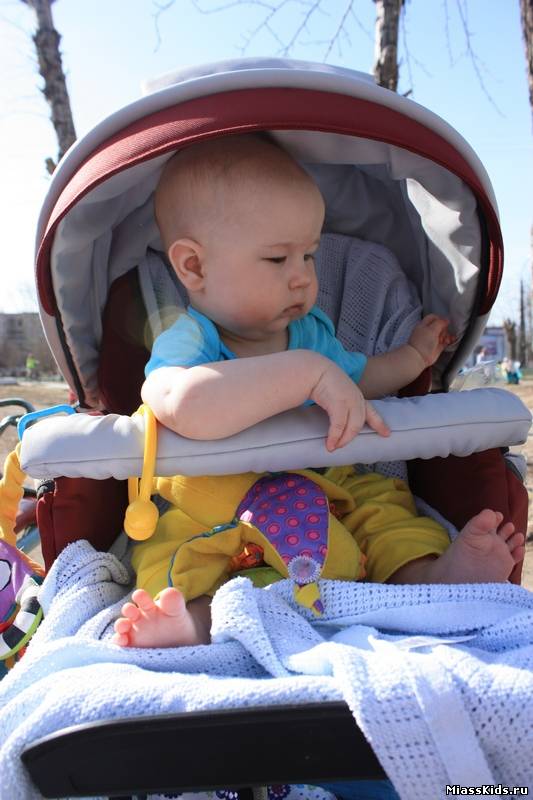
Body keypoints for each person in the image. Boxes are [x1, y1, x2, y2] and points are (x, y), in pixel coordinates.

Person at [113, 135, 525, 649]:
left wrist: (413, 358)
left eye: (308, 255)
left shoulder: (311, 334)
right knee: (171, 548)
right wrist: (305, 374)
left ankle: (430, 577)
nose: (302, 278)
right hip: (213, 505)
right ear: (194, 266)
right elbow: (180, 404)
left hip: (330, 493)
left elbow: (360, 379)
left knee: (387, 511)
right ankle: (191, 622)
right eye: (277, 259)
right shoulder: (188, 338)